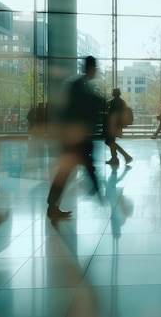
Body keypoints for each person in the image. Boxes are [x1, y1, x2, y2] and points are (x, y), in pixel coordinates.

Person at [46, 56, 104, 219]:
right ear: (91, 68)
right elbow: (79, 109)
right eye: (96, 69)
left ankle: (53, 205)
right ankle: (97, 192)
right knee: (70, 170)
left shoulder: (77, 84)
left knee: (68, 171)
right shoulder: (79, 86)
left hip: (74, 137)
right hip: (74, 138)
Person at [104, 88, 133, 166]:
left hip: (113, 124)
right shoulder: (122, 102)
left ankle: (126, 156)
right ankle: (114, 158)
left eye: (112, 92)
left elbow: (112, 114)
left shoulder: (113, 102)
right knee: (111, 141)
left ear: (114, 93)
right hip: (118, 124)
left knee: (109, 141)